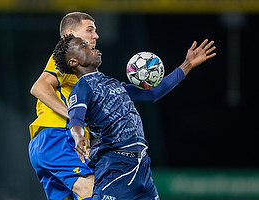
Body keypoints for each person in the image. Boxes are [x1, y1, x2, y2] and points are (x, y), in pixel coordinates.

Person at [52, 34, 216, 199]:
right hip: (116, 168)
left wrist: (188, 64)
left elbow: (153, 93)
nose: (92, 46)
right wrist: (79, 136)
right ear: (74, 62)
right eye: (83, 46)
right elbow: (76, 119)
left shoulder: (112, 83)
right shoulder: (82, 88)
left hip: (141, 168)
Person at [28, 12, 98, 200]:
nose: (95, 36)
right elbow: (39, 87)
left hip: (43, 142)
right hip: (58, 135)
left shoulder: (81, 70)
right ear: (69, 35)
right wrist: (74, 117)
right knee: (92, 190)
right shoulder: (67, 57)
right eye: (89, 30)